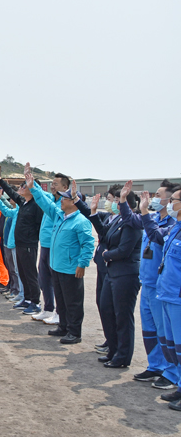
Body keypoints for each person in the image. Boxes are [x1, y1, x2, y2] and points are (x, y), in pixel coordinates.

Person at [118, 180, 179, 390]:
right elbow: (128, 218)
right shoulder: (152, 218)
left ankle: (170, 372)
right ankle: (155, 365)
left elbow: (154, 234)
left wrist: (144, 213)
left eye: (160, 195)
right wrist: (124, 200)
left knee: (166, 333)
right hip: (147, 283)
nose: (154, 198)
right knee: (150, 330)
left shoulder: (171, 225)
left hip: (162, 288)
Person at [76, 182, 142, 368]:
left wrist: (106, 255)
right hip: (113, 272)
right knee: (106, 309)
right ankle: (113, 350)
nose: (112, 204)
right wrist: (94, 212)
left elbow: (124, 250)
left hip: (125, 274)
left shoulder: (132, 223)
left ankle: (122, 357)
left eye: (116, 201)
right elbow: (104, 234)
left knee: (122, 316)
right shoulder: (118, 220)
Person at [26, 167, 95, 344]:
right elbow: (46, 204)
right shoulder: (60, 216)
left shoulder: (81, 221)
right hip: (57, 266)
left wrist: (82, 264)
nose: (61, 201)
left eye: (64, 199)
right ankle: (63, 326)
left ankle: (74, 332)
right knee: (62, 300)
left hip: (71, 268)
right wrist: (33, 187)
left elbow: (88, 244)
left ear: (74, 201)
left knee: (73, 302)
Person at [140, 185, 181, 410]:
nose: (171, 204)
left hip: (177, 297)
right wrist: (145, 213)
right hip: (166, 293)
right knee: (172, 345)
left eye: (175, 200)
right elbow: (156, 237)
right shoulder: (176, 229)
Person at [0, 164, 44, 316]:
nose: (21, 189)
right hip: (20, 244)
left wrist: (32, 238)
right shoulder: (24, 203)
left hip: (29, 244)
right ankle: (28, 299)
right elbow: (11, 192)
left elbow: (39, 225)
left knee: (30, 274)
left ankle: (35, 302)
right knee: (23, 273)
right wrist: (0, 180)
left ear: (32, 189)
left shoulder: (37, 205)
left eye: (24, 187)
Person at [33, 173, 72, 325]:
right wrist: (32, 184)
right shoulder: (52, 199)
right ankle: (48, 308)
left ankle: (59, 313)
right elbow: (42, 195)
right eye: (52, 183)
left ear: (65, 187)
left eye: (56, 184)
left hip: (55, 247)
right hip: (45, 245)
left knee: (56, 281)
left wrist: (32, 187)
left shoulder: (63, 205)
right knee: (44, 279)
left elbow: (42, 200)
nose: (52, 186)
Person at [0, 192, 24, 305]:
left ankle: (19, 293)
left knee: (17, 270)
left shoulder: (21, 209)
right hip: (8, 242)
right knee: (12, 268)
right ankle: (14, 289)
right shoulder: (15, 210)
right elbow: (5, 209)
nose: (11, 199)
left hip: (15, 243)